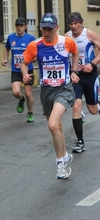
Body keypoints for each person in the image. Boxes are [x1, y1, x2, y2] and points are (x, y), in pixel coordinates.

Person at [21, 13, 80, 179]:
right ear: (40, 28)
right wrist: (25, 75)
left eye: (50, 28)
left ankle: (60, 162)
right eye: (44, 28)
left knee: (53, 125)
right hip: (47, 90)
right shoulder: (35, 45)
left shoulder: (66, 42)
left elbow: (75, 53)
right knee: (57, 127)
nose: (47, 32)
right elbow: (24, 63)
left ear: (57, 28)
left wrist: (74, 71)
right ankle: (66, 156)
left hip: (64, 88)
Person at [65, 12, 100, 153]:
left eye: (76, 23)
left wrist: (92, 63)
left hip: (90, 74)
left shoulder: (89, 34)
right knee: (76, 106)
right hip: (75, 76)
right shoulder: (66, 37)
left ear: (81, 23)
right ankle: (80, 142)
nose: (73, 26)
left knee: (92, 110)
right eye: (71, 24)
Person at [2, 17, 36, 122]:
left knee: (28, 93)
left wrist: (34, 58)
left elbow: (36, 50)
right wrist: (5, 59)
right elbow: (7, 48)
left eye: (21, 26)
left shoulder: (30, 38)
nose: (19, 28)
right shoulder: (11, 37)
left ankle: (30, 113)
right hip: (16, 70)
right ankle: (21, 100)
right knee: (16, 92)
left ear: (25, 27)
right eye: (17, 26)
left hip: (27, 70)